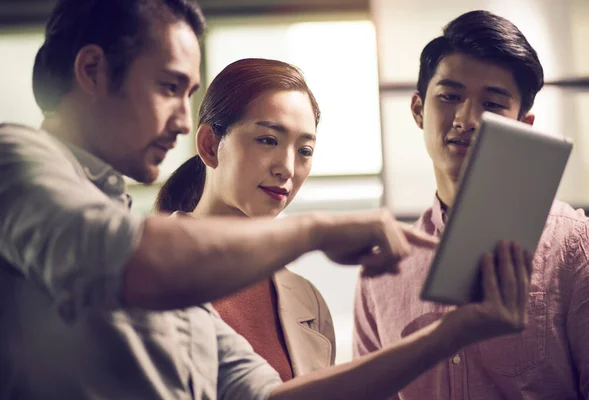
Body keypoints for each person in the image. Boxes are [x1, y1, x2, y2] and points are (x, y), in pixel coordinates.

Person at [0, 0, 532, 398]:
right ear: (92, 70)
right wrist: (317, 231)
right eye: (169, 86)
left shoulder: (166, 257)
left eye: (305, 149)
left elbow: (267, 396)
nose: (184, 121)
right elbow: (121, 259)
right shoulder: (14, 158)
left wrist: (449, 335)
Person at [353, 9, 589, 400]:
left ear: (523, 123)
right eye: (449, 97)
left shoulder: (583, 247)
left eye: (494, 104)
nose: (467, 119)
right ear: (418, 109)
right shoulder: (383, 267)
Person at [155, 58, 337, 380]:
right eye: (268, 140)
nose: (287, 168)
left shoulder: (309, 302)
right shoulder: (146, 267)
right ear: (210, 145)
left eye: (304, 150)